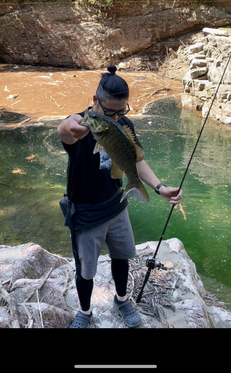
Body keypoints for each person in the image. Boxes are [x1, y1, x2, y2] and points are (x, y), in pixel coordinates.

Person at [57, 65, 182, 328]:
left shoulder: (124, 125)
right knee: (85, 270)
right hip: (86, 213)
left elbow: (134, 161)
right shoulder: (83, 124)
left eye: (121, 111)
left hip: (117, 206)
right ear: (94, 102)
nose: (115, 117)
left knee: (121, 257)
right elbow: (66, 130)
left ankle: (122, 299)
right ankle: (85, 312)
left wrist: (159, 188)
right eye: (109, 111)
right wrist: (68, 127)